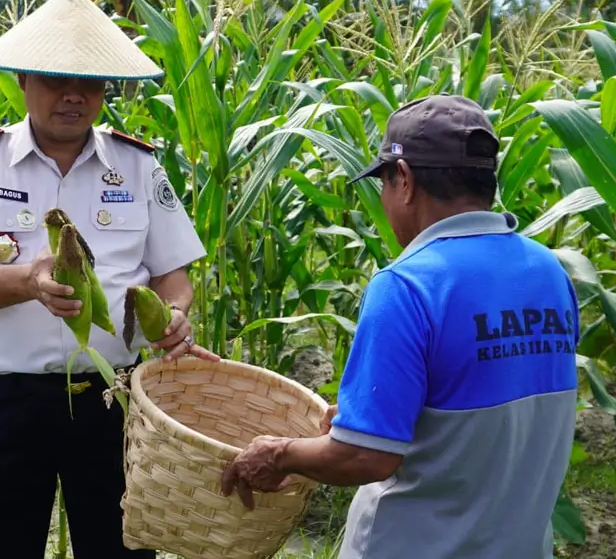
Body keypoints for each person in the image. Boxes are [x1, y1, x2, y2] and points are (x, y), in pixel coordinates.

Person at [0, 0, 221, 559]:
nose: (74, 96)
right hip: (9, 400)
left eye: (90, 84)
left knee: (119, 547)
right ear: (23, 80)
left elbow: (173, 277)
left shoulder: (138, 165)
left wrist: (175, 315)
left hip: (114, 400)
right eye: (56, 80)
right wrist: (27, 282)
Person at [219, 94, 580, 559]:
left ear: (404, 180)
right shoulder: (549, 271)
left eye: (385, 184)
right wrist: (379, 413)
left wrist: (279, 453)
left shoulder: (408, 285)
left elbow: (367, 456)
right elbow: (493, 405)